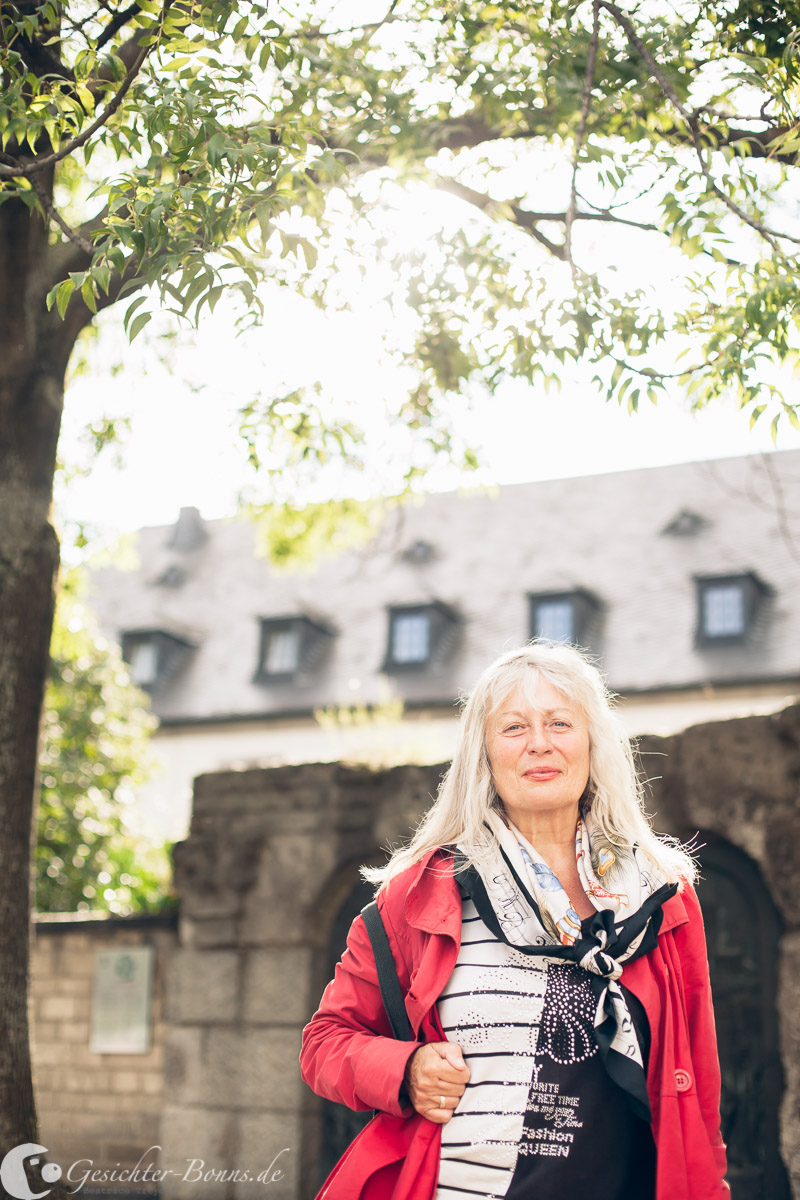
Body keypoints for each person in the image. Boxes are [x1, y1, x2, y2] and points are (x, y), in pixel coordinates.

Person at [300, 642, 729, 1200]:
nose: (540, 744)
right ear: (484, 755)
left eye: (559, 723)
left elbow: (699, 1091)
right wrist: (405, 1068)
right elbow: (324, 1043)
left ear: (593, 744)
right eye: (513, 728)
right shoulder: (416, 896)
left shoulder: (661, 896)